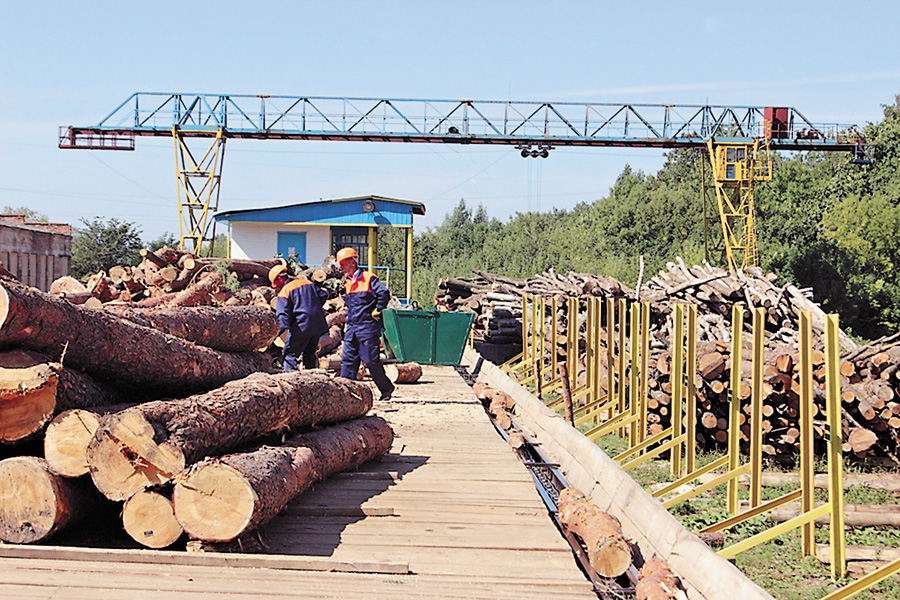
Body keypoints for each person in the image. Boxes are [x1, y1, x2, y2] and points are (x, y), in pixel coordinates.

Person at [336, 247, 395, 401]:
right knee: (348, 361)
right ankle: (346, 393)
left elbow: (384, 293)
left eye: (342, 263)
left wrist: (378, 309)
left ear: (352, 261)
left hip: (367, 327)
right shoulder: (348, 282)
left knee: (370, 360)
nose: (340, 267)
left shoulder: (369, 278)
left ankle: (386, 388)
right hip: (352, 328)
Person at [269, 263, 328, 372]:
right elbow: (323, 295)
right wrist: (313, 306)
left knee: (289, 355)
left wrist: (275, 335)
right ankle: (313, 380)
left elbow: (283, 316)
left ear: (278, 280)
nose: (277, 287)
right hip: (318, 324)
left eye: (276, 285)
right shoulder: (306, 282)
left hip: (301, 325)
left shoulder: (285, 291)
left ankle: (291, 380)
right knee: (309, 353)